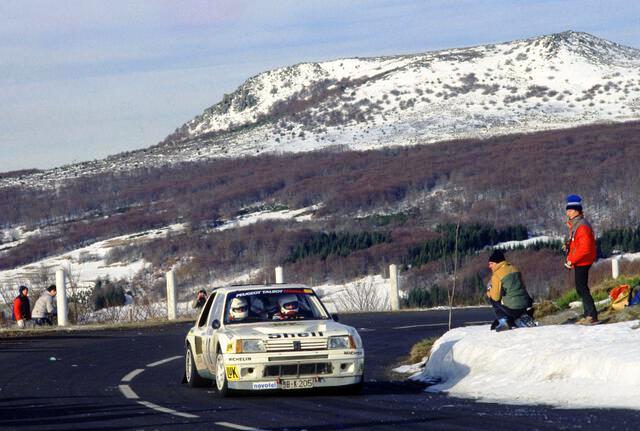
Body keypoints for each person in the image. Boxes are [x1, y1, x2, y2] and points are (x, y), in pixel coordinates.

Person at [564, 194, 598, 324]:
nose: (567, 213)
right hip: (582, 259)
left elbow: (585, 248)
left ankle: (591, 315)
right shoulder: (577, 224)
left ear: (576, 211)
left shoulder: (581, 226)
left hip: (583, 260)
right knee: (581, 287)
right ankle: (589, 314)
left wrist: (571, 260)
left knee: (582, 287)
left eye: (570, 210)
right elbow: (578, 244)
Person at [486, 250, 534, 331]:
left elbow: (495, 297)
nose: (489, 266)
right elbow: (523, 287)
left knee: (492, 297)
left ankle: (503, 321)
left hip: (512, 308)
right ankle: (523, 316)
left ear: (497, 263)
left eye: (491, 263)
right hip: (525, 305)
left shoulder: (497, 274)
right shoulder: (515, 269)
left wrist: (489, 291)